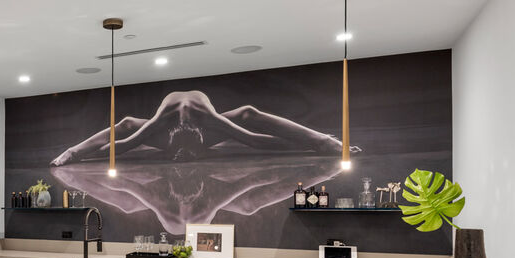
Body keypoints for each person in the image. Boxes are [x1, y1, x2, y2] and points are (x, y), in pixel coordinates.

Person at [51, 89, 358, 166]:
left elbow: (253, 139)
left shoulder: (210, 120)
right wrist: (77, 154)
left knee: (248, 114)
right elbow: (126, 143)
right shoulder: (161, 122)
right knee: (127, 124)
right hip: (168, 130)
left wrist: (318, 144)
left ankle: (321, 138)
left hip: (204, 124)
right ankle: (73, 148)